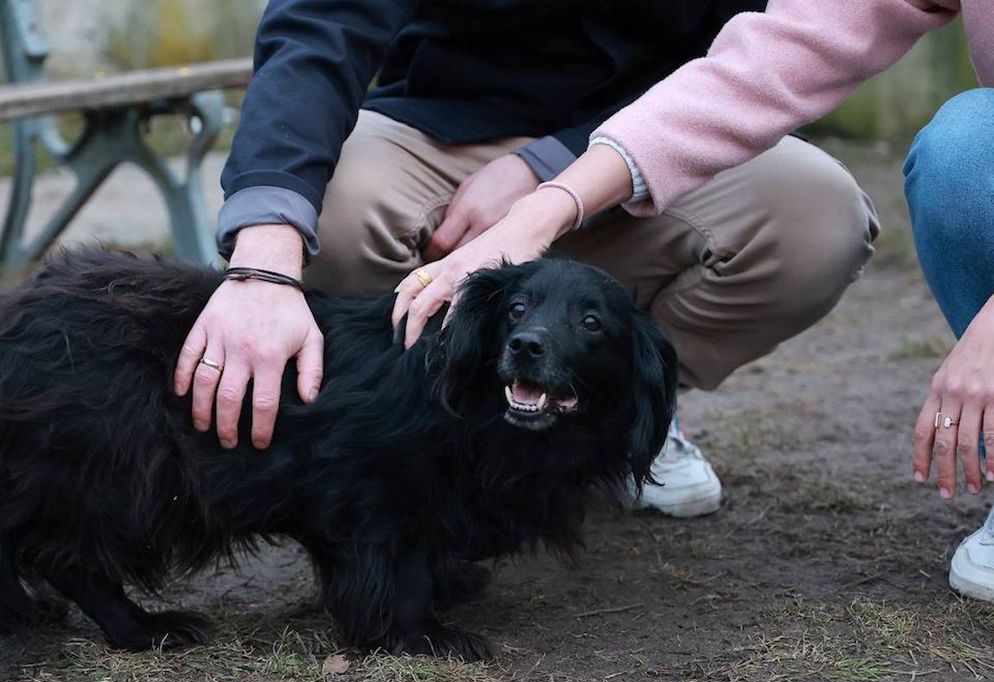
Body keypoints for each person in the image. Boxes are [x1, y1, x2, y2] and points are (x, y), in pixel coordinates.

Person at [176, 0, 880, 521]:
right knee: (331, 210)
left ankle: (620, 414)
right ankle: (429, 429)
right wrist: (263, 264)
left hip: (657, 137)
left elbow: (750, 62)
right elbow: (319, 27)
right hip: (438, 127)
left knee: (818, 218)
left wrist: (547, 170)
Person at [386, 0, 994, 601]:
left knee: (964, 152)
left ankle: (626, 412)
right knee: (969, 149)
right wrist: (545, 206)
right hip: (452, 123)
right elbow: (771, 61)